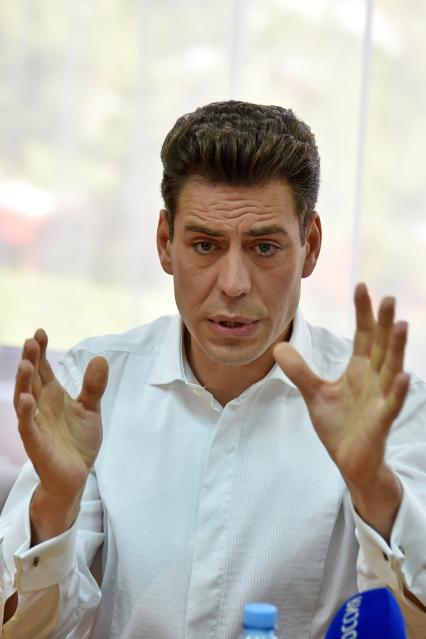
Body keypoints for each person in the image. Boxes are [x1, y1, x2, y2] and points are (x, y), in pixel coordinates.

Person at [1, 101, 426, 639]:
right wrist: (55, 503)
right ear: (165, 243)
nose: (233, 284)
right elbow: (24, 631)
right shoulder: (94, 387)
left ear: (311, 246)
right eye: (205, 245)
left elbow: (412, 625)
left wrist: (374, 488)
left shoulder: (387, 407)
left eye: (264, 247)